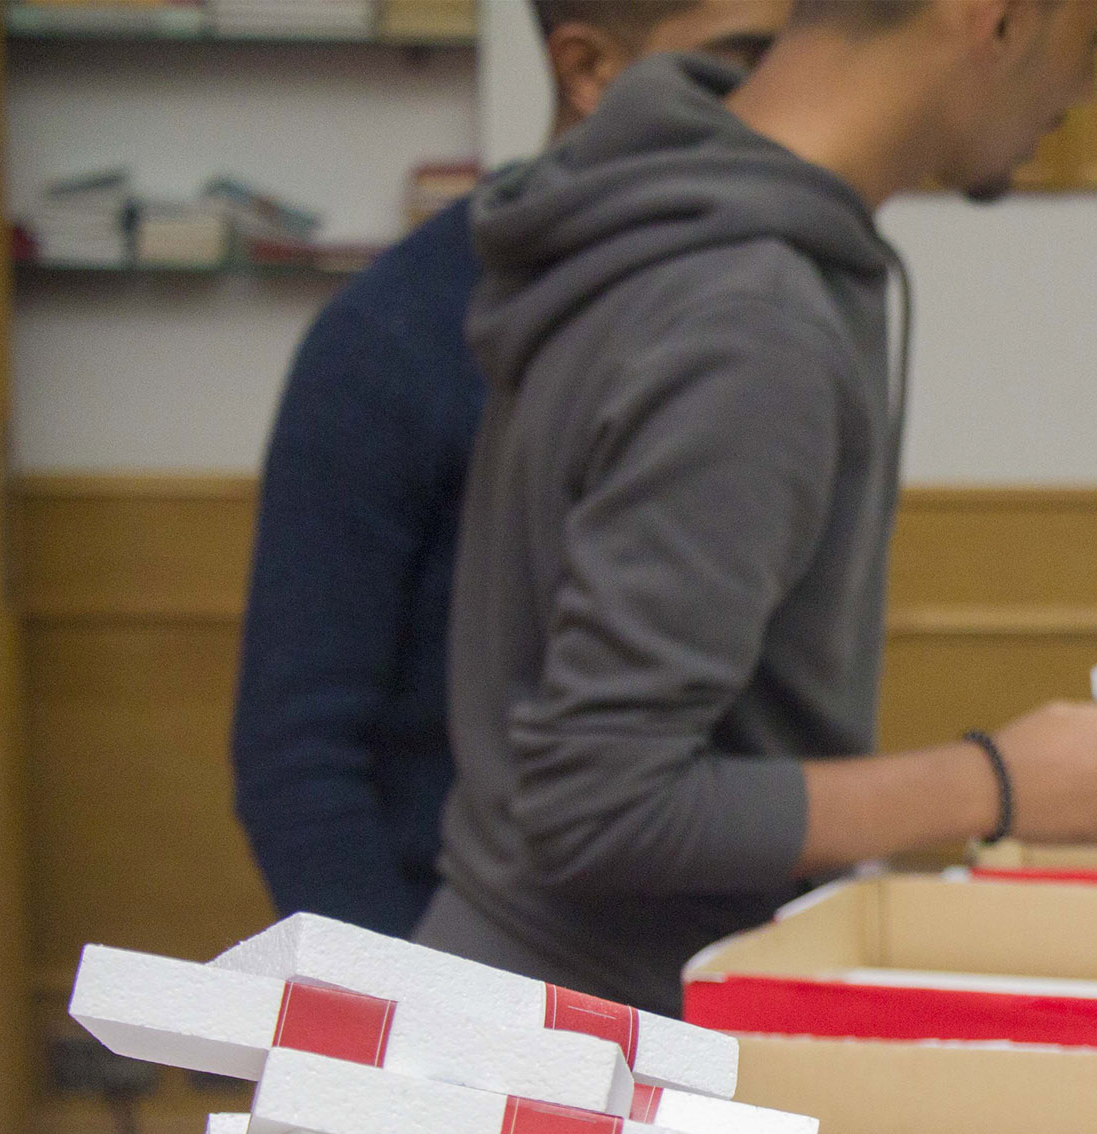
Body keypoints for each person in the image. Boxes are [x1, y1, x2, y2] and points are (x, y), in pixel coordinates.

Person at [419, 0, 1097, 1014]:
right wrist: (994, 782)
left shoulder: (676, 209)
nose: (1084, 89)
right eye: (1090, 43)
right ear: (995, 22)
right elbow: (598, 805)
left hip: (540, 996)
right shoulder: (750, 322)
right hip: (577, 1034)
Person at [232, 0, 791, 939]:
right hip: (460, 955)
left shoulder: (751, 317)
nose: (793, 95)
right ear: (588, 69)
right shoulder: (390, 337)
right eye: (745, 59)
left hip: (697, 957)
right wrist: (405, 1006)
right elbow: (299, 757)